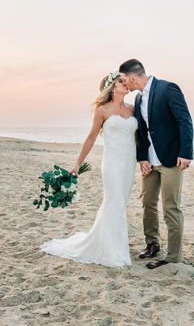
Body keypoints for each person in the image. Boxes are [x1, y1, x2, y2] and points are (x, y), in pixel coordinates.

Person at [39, 71, 138, 267]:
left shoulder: (133, 109)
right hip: (112, 162)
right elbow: (91, 137)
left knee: (120, 203)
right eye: (120, 81)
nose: (125, 83)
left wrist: (146, 160)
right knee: (114, 201)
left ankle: (108, 242)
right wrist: (77, 163)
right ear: (111, 88)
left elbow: (139, 137)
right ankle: (114, 252)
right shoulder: (102, 110)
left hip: (129, 162)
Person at [119, 59, 193, 269]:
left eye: (125, 80)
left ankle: (172, 256)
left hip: (171, 159)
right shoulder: (140, 98)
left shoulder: (168, 89)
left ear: (133, 77)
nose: (125, 84)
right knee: (147, 203)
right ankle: (152, 244)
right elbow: (142, 132)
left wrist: (186, 153)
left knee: (171, 207)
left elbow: (184, 120)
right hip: (149, 162)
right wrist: (142, 157)